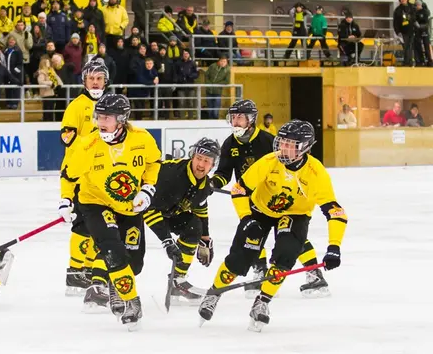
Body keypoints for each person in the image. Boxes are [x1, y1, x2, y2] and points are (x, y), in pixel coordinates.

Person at [199, 120, 348, 331]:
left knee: (285, 256)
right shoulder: (270, 161)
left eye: (290, 144)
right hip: (260, 211)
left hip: (295, 215)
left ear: (304, 147)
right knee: (239, 259)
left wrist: (334, 247)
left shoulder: (316, 172)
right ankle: (213, 294)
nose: (283, 149)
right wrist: (246, 218)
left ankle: (262, 301)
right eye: (282, 143)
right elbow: (240, 189)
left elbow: (335, 212)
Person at [59, 94, 162, 330]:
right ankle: (131, 301)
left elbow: (154, 163)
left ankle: (118, 284)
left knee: (134, 262)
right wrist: (65, 200)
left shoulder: (142, 139)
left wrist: (147, 189)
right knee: (112, 250)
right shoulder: (87, 145)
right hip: (95, 203)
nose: (100, 121)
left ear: (122, 119)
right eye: (98, 116)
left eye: (107, 117)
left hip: (129, 205)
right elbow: (69, 175)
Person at [211, 101, 328, 298]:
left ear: (251, 119)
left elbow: (287, 163)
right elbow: (224, 173)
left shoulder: (267, 140)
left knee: (289, 236)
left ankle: (313, 272)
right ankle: (260, 269)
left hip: (278, 195)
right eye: (233, 117)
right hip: (250, 197)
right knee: (253, 234)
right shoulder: (229, 144)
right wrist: (213, 183)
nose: (235, 122)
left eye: (240, 117)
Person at [145, 138, 219, 304]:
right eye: (199, 158)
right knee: (131, 251)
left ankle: (177, 282)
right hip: (138, 206)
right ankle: (100, 283)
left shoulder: (204, 185)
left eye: (207, 161)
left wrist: (205, 238)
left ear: (213, 165)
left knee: (194, 227)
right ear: (192, 157)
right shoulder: (171, 176)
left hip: (168, 211)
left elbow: (200, 209)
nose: (201, 164)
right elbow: (148, 210)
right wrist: (167, 241)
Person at [60, 57, 108, 296]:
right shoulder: (77, 105)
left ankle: (88, 268)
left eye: (99, 79)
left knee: (98, 226)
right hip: (79, 176)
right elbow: (66, 136)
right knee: (82, 226)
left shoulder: (110, 104)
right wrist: (87, 145)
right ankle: (75, 273)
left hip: (102, 177)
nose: (95, 83)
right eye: (91, 79)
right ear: (85, 81)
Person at [36, 56, 63, 122]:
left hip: (52, 92)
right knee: (47, 109)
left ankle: (50, 121)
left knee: (51, 109)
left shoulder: (51, 71)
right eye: (47, 62)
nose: (49, 64)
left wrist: (60, 84)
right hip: (46, 93)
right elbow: (41, 81)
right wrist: (50, 83)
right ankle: (46, 121)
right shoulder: (42, 72)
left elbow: (56, 77)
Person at [393, 0, 416, 67]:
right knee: (405, 46)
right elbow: (395, 22)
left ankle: (410, 61)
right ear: (400, 0)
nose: (403, 0)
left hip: (412, 30)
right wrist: (397, 32)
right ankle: (406, 62)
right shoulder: (398, 10)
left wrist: (411, 18)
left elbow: (416, 17)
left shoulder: (412, 7)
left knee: (410, 46)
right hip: (403, 32)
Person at [204, 55, 230, 119]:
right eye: (222, 61)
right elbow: (206, 75)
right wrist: (209, 84)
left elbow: (226, 81)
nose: (223, 63)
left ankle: (215, 121)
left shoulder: (227, 70)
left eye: (224, 61)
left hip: (218, 92)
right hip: (209, 91)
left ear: (227, 62)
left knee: (215, 111)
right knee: (210, 110)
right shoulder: (213, 66)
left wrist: (216, 84)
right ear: (219, 61)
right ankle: (210, 123)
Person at [413, 0, 432, 66]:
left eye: (418, 5)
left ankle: (429, 60)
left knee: (426, 45)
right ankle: (420, 61)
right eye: (416, 5)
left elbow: (427, 22)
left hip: (424, 30)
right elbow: (413, 20)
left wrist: (421, 26)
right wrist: (415, 24)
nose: (417, 6)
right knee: (417, 45)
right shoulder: (414, 12)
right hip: (417, 31)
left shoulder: (425, 11)